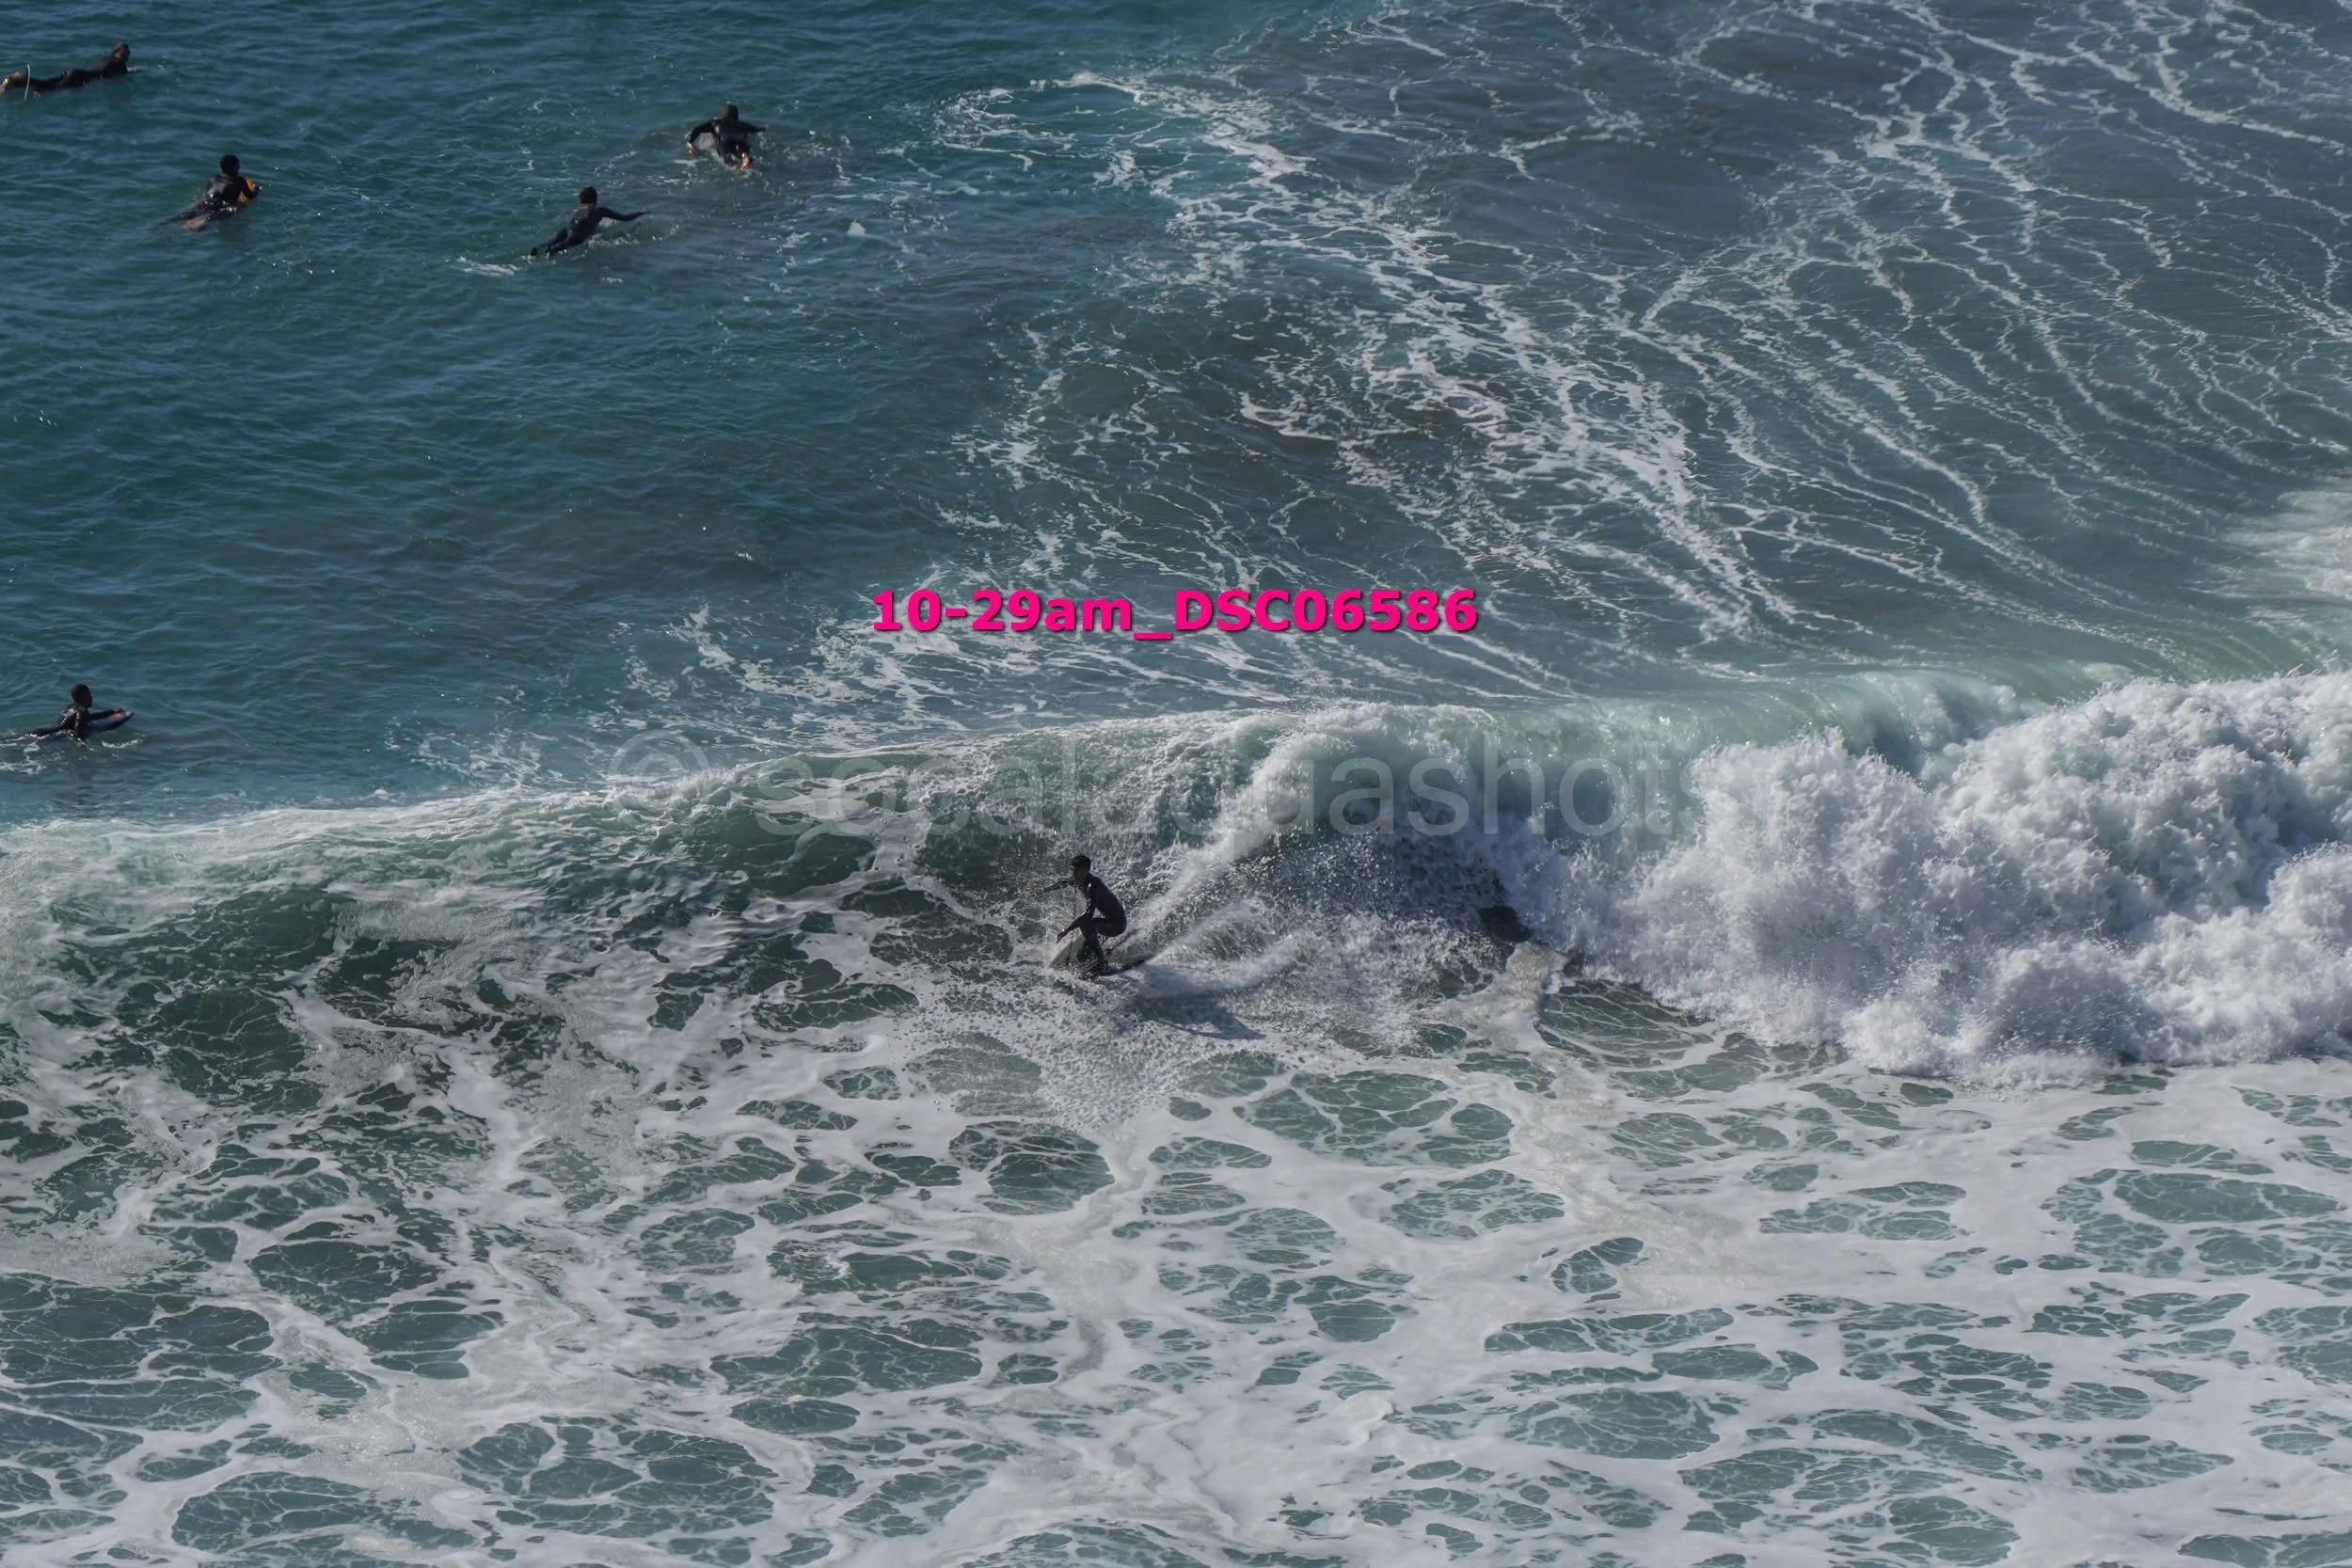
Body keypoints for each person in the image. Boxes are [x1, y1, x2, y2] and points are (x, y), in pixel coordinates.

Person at [1057, 855, 1127, 974]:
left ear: (1084, 871)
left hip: (1117, 924)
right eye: (1071, 870)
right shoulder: (1080, 879)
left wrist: (1067, 930)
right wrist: (1042, 891)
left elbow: (1088, 915)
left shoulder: (1093, 885)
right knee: (1082, 956)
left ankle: (1102, 962)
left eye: (1074, 871)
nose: (1072, 874)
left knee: (1086, 924)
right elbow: (1064, 883)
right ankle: (1103, 954)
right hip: (1105, 922)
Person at [530, 186, 647, 257]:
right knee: (563, 246)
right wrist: (641, 213)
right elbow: (625, 218)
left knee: (552, 241)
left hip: (566, 230)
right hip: (579, 234)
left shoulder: (576, 210)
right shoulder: (600, 210)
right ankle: (551, 252)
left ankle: (539, 249)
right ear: (595, 199)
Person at [4, 42, 130, 95]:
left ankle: (18, 82)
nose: (128, 56)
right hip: (81, 77)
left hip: (75, 72)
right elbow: (124, 74)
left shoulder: (106, 58)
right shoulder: (120, 65)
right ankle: (22, 80)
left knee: (48, 82)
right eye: (127, 54)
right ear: (123, 55)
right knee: (53, 88)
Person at [685, 103, 764, 169]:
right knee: (743, 151)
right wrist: (764, 128)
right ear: (737, 116)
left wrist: (690, 142)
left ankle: (735, 167)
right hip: (740, 140)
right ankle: (745, 157)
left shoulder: (715, 123)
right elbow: (757, 129)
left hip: (725, 141)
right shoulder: (743, 124)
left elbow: (697, 129)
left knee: (727, 156)